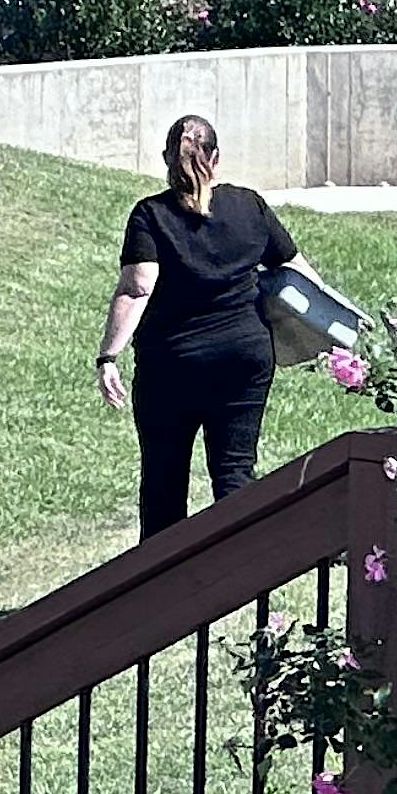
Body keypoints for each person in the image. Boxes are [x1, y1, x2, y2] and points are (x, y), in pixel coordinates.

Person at [97, 114, 297, 537]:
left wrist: (108, 356)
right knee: (235, 471)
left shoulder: (151, 215)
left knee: (164, 480)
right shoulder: (249, 205)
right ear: (216, 158)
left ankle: (163, 577)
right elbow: (294, 269)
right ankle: (243, 567)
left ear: (166, 158)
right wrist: (332, 327)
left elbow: (137, 287)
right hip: (244, 357)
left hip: (172, 366)